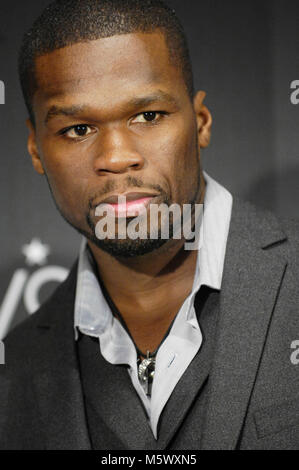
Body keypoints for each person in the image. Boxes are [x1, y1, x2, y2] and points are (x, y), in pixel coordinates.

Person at [1, 0, 299, 451]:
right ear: (36, 149)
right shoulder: (14, 370)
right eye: (78, 129)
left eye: (148, 116)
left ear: (200, 122)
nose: (117, 156)